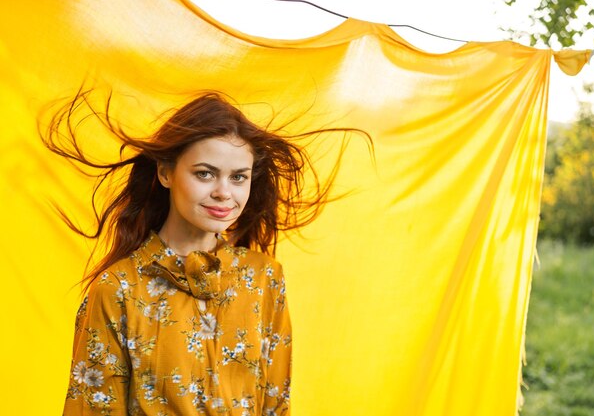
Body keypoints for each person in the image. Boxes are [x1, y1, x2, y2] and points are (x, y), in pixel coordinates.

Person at [45, 91, 360, 415]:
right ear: (166, 173)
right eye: (205, 173)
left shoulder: (263, 279)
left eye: (238, 177)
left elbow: (275, 405)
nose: (224, 192)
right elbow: (93, 408)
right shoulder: (119, 288)